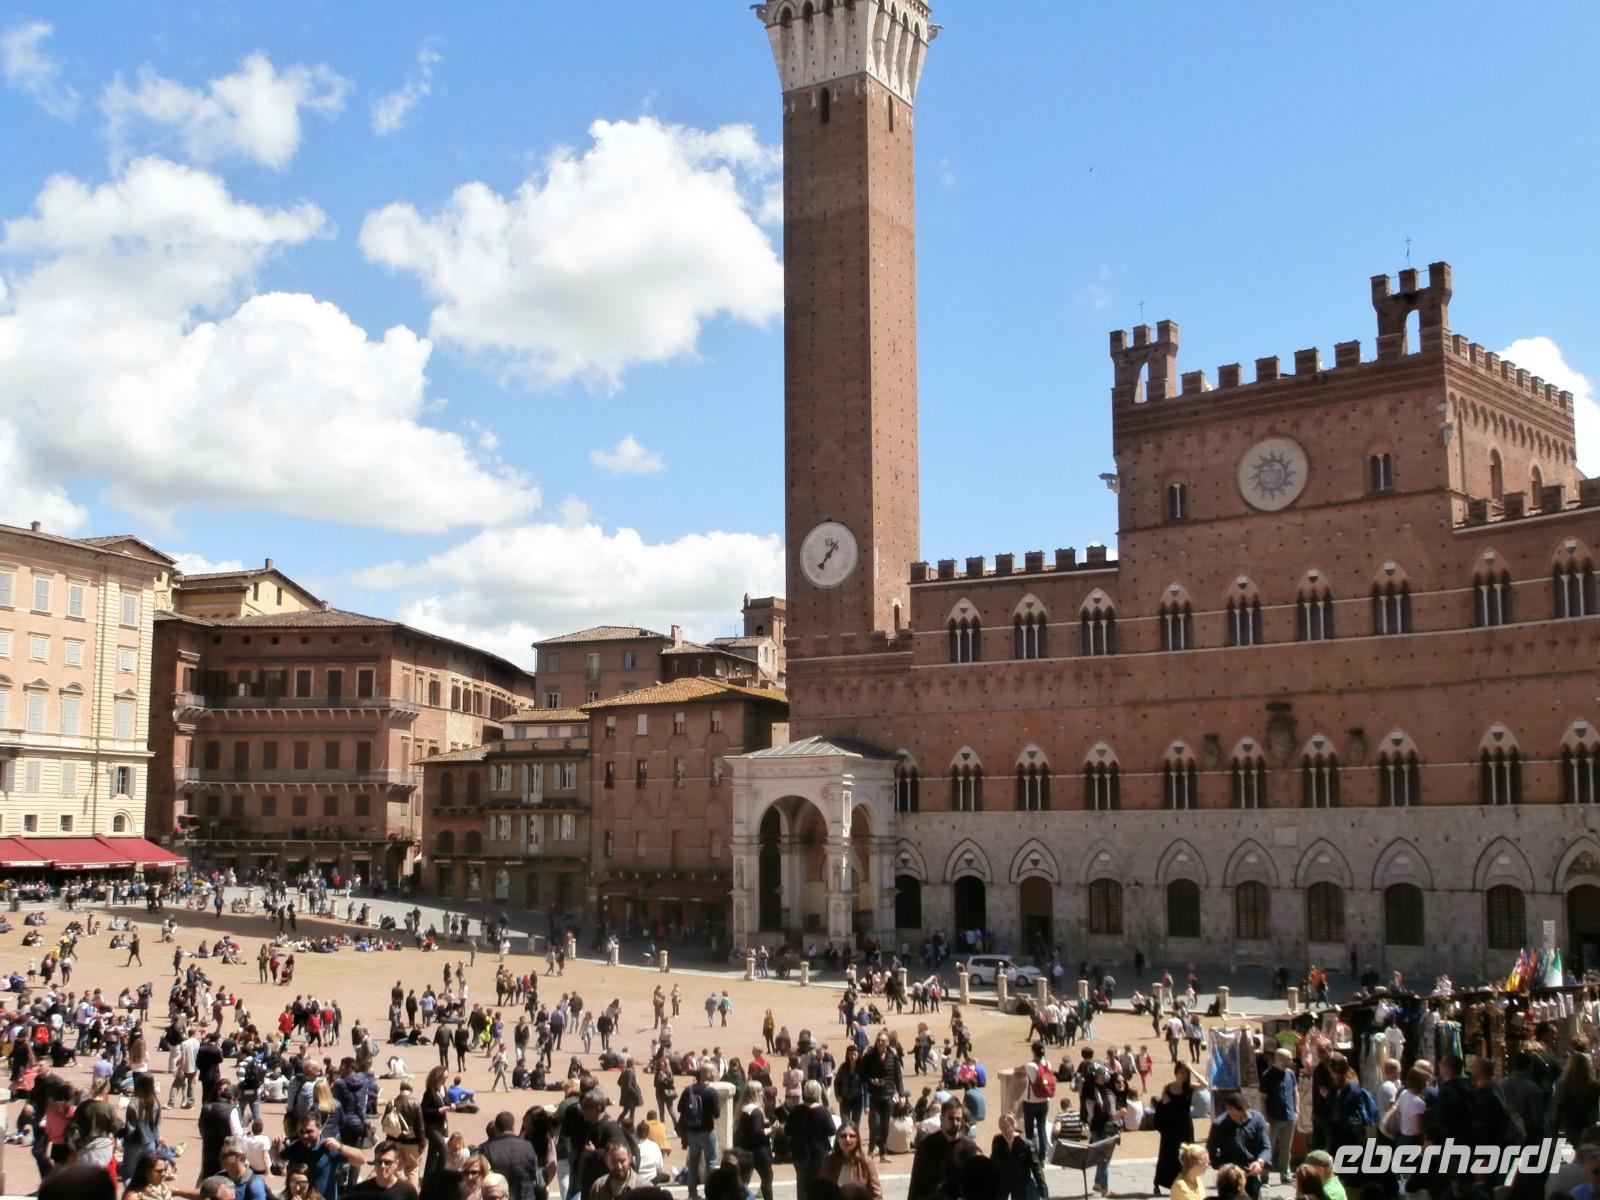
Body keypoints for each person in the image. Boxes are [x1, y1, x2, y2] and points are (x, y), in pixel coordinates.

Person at [276, 1113, 370, 1200]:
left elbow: (361, 1160)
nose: (305, 1135)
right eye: (301, 1131)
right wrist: (275, 1147)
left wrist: (340, 1147)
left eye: (309, 1131)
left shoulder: (328, 1148)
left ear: (320, 1128)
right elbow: (278, 1162)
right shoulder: (295, 1147)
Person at [908, 1097, 977, 1200]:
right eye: (951, 1118)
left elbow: (975, 1184)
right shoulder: (926, 1145)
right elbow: (916, 1181)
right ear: (941, 1119)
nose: (955, 1123)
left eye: (958, 1119)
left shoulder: (969, 1147)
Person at [1205, 1092, 1271, 1200]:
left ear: (1248, 1107)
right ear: (1228, 1109)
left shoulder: (1257, 1119)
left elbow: (1266, 1146)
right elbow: (1210, 1153)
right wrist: (1225, 1168)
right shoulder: (1219, 1125)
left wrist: (1260, 1162)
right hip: (1231, 1180)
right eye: (1235, 1116)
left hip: (1252, 1174)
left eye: (1243, 1115)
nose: (1240, 1120)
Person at [677, 1064, 722, 1200]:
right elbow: (717, 1114)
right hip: (707, 1131)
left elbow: (679, 1108)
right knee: (711, 1162)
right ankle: (711, 1193)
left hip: (691, 1131)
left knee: (693, 1163)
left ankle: (692, 1193)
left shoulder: (689, 1090)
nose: (715, 1074)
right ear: (707, 1073)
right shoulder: (711, 1091)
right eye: (713, 1071)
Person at [1151, 1061, 1196, 1196]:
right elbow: (1164, 1106)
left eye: (1185, 1072)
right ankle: (1159, 1183)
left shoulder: (1190, 1087)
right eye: (1181, 1072)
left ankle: (1187, 1182)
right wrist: (1165, 1102)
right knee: (1168, 1154)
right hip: (1171, 1126)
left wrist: (1192, 1069)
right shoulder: (1168, 1087)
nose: (1183, 1075)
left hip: (1185, 1126)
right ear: (1176, 1072)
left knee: (1187, 1155)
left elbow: (1205, 1084)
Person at [480, 1111, 541, 1200]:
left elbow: (484, 1179)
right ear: (513, 1127)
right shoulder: (528, 1146)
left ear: (496, 1129)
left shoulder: (487, 1149)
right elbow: (536, 1175)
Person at [1260, 1047, 1298, 1185]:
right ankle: (1264, 1176)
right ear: (1279, 1059)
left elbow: (1295, 1092)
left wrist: (1296, 1110)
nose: (1291, 1061)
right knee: (1268, 1147)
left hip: (1289, 1117)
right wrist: (1265, 1118)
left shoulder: (1291, 1074)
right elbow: (1262, 1098)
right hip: (1273, 1118)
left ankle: (1284, 1174)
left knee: (1286, 1148)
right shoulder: (1267, 1075)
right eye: (1288, 1059)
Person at [733, 1081, 775, 1200]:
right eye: (760, 1090)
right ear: (755, 1093)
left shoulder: (743, 1109)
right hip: (758, 1151)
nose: (762, 1093)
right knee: (767, 1178)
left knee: (743, 1180)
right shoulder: (756, 1111)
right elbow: (758, 1133)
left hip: (745, 1150)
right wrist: (771, 1129)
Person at [989, 1111, 1046, 1200]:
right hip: (1002, 1181)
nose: (1004, 1131)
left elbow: (1036, 1167)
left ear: (1014, 1126)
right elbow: (993, 1161)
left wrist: (1043, 1189)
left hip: (1020, 1182)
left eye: (1006, 1128)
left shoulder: (1026, 1144)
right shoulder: (998, 1140)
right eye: (1001, 1128)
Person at [345, 1141, 418, 1200]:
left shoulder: (408, 1192)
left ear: (396, 1164)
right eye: (378, 1162)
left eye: (387, 1162)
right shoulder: (361, 1191)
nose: (382, 1166)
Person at [1020, 1041, 1055, 1161]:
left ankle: (1031, 1155)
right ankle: (1042, 1156)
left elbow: (1019, 1070)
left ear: (1033, 1052)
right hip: (1044, 1100)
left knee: (1029, 1131)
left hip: (1031, 1101)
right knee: (1041, 1129)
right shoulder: (1047, 1064)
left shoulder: (1031, 1065)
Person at [209, 1136, 271, 1200]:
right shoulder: (219, 1178)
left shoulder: (254, 1184)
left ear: (238, 1156)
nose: (220, 1159)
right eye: (220, 1155)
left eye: (224, 1155)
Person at [420, 1066, 452, 1177]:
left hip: (441, 1125)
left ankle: (427, 1179)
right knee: (444, 1150)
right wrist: (438, 1111)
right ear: (437, 1078)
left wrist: (451, 1105)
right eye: (443, 1078)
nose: (444, 1081)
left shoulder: (444, 1089)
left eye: (446, 1078)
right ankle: (439, 1176)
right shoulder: (429, 1093)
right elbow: (423, 1110)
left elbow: (447, 1101)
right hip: (431, 1127)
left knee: (432, 1154)